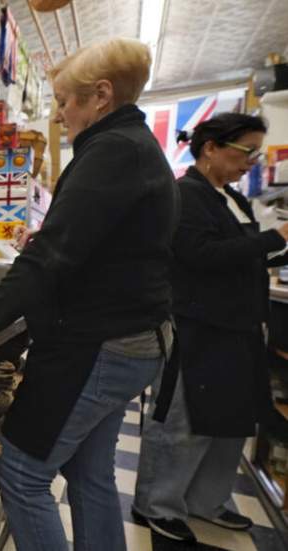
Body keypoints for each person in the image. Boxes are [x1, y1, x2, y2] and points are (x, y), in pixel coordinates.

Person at [0, 38, 179, 550]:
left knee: (21, 473)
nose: (60, 114)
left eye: (65, 101)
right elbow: (111, 241)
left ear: (101, 95)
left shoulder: (111, 151)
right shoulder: (134, 146)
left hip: (99, 343)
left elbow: (52, 259)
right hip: (135, 339)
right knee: (91, 475)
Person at [131, 114, 288, 543]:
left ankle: (206, 500)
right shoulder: (186, 195)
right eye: (245, 151)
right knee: (183, 421)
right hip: (197, 327)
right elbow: (200, 254)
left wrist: (271, 253)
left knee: (231, 422)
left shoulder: (229, 198)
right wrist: (276, 238)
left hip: (237, 327)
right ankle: (157, 504)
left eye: (257, 152)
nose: (252, 161)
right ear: (211, 148)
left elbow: (239, 255)